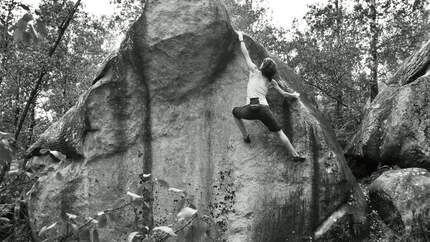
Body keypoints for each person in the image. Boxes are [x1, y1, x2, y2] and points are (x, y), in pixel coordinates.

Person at [232, 31, 305, 162]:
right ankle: (295, 155)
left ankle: (246, 136)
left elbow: (245, 53)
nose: (262, 62)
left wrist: (240, 37)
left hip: (251, 108)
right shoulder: (271, 81)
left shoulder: (254, 71)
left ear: (263, 66)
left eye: (264, 62)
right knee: (279, 132)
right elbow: (283, 94)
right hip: (264, 109)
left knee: (235, 112)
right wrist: (294, 95)